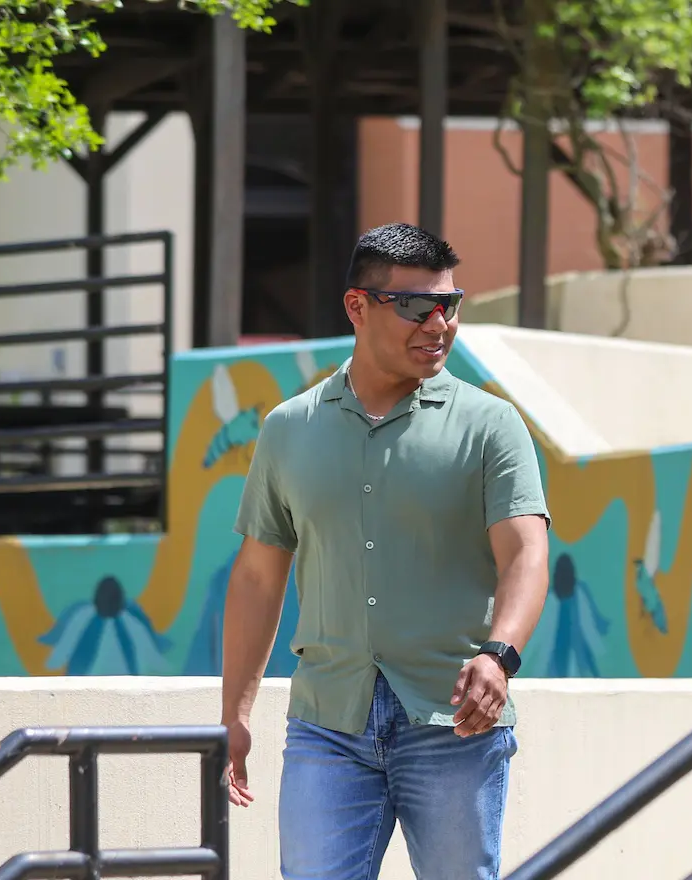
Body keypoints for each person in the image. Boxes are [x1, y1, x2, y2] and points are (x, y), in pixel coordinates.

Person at [219, 223, 554, 880]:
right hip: (326, 727)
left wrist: (500, 653)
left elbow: (527, 556)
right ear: (357, 306)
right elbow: (259, 579)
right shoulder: (289, 429)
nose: (438, 324)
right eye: (415, 307)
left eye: (449, 305)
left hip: (454, 725)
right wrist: (234, 714)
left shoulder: (491, 425)